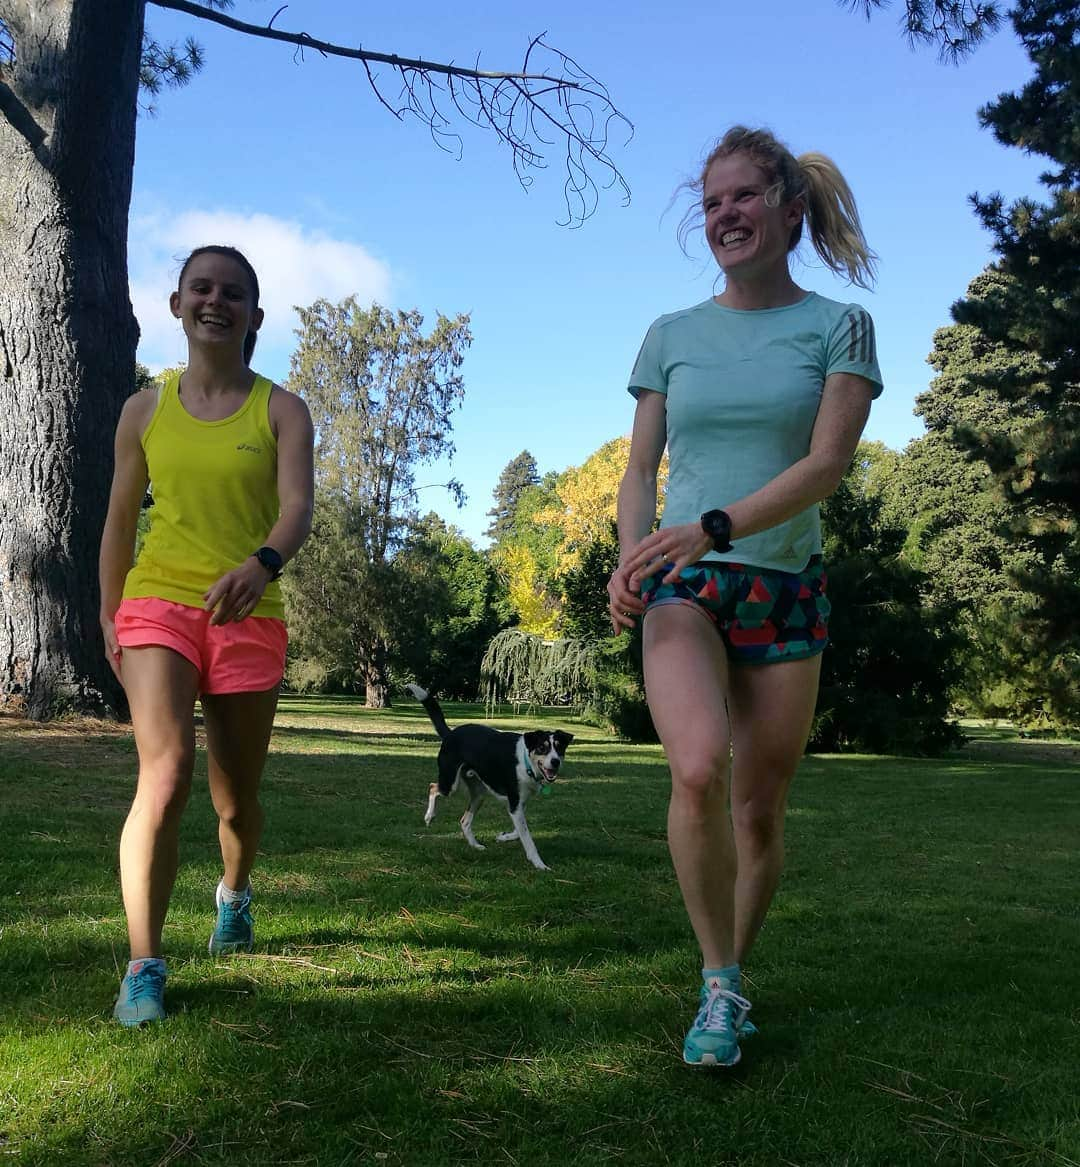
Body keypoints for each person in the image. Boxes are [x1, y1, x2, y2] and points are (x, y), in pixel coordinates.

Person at [608, 127, 883, 1068]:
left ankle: (726, 980)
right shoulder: (670, 336)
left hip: (782, 591)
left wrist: (717, 525)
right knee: (695, 769)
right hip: (683, 583)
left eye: (743, 197)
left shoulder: (838, 325)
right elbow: (640, 468)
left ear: (788, 209)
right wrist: (630, 555)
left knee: (758, 809)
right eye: (712, 201)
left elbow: (826, 465)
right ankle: (719, 984)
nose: (723, 214)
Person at [99, 245, 314, 1026]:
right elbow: (121, 518)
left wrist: (262, 564)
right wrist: (107, 607)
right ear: (176, 303)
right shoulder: (143, 409)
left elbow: (296, 509)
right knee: (167, 771)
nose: (214, 301)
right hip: (158, 601)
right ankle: (144, 964)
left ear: (255, 316)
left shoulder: (282, 410)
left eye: (233, 292)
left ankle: (234, 892)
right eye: (201, 288)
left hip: (248, 612)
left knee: (236, 801)